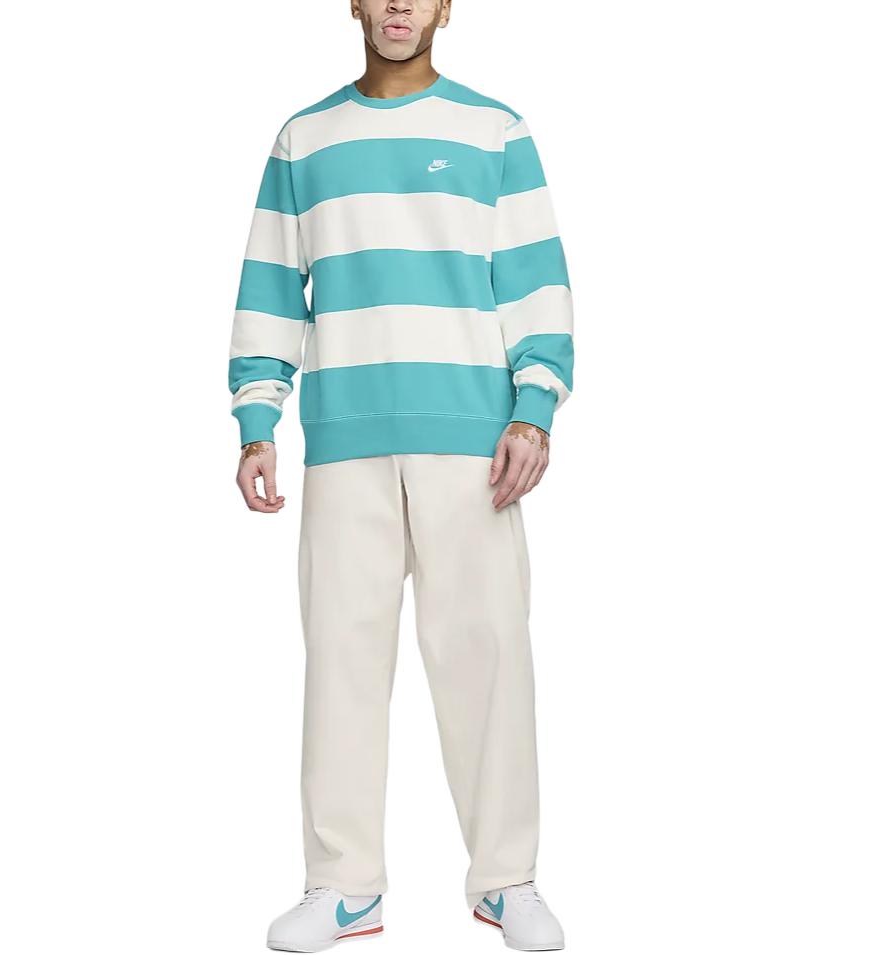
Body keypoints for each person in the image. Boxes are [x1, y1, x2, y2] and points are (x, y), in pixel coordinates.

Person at [228, 2, 574, 950]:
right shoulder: (303, 139)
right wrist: (257, 419)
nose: (397, 5)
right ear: (352, 1)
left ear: (445, 7)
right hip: (343, 439)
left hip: (472, 442)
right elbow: (269, 284)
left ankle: (506, 879)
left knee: (486, 657)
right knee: (341, 661)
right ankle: (342, 886)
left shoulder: (494, 130)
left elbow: (535, 282)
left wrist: (533, 408)